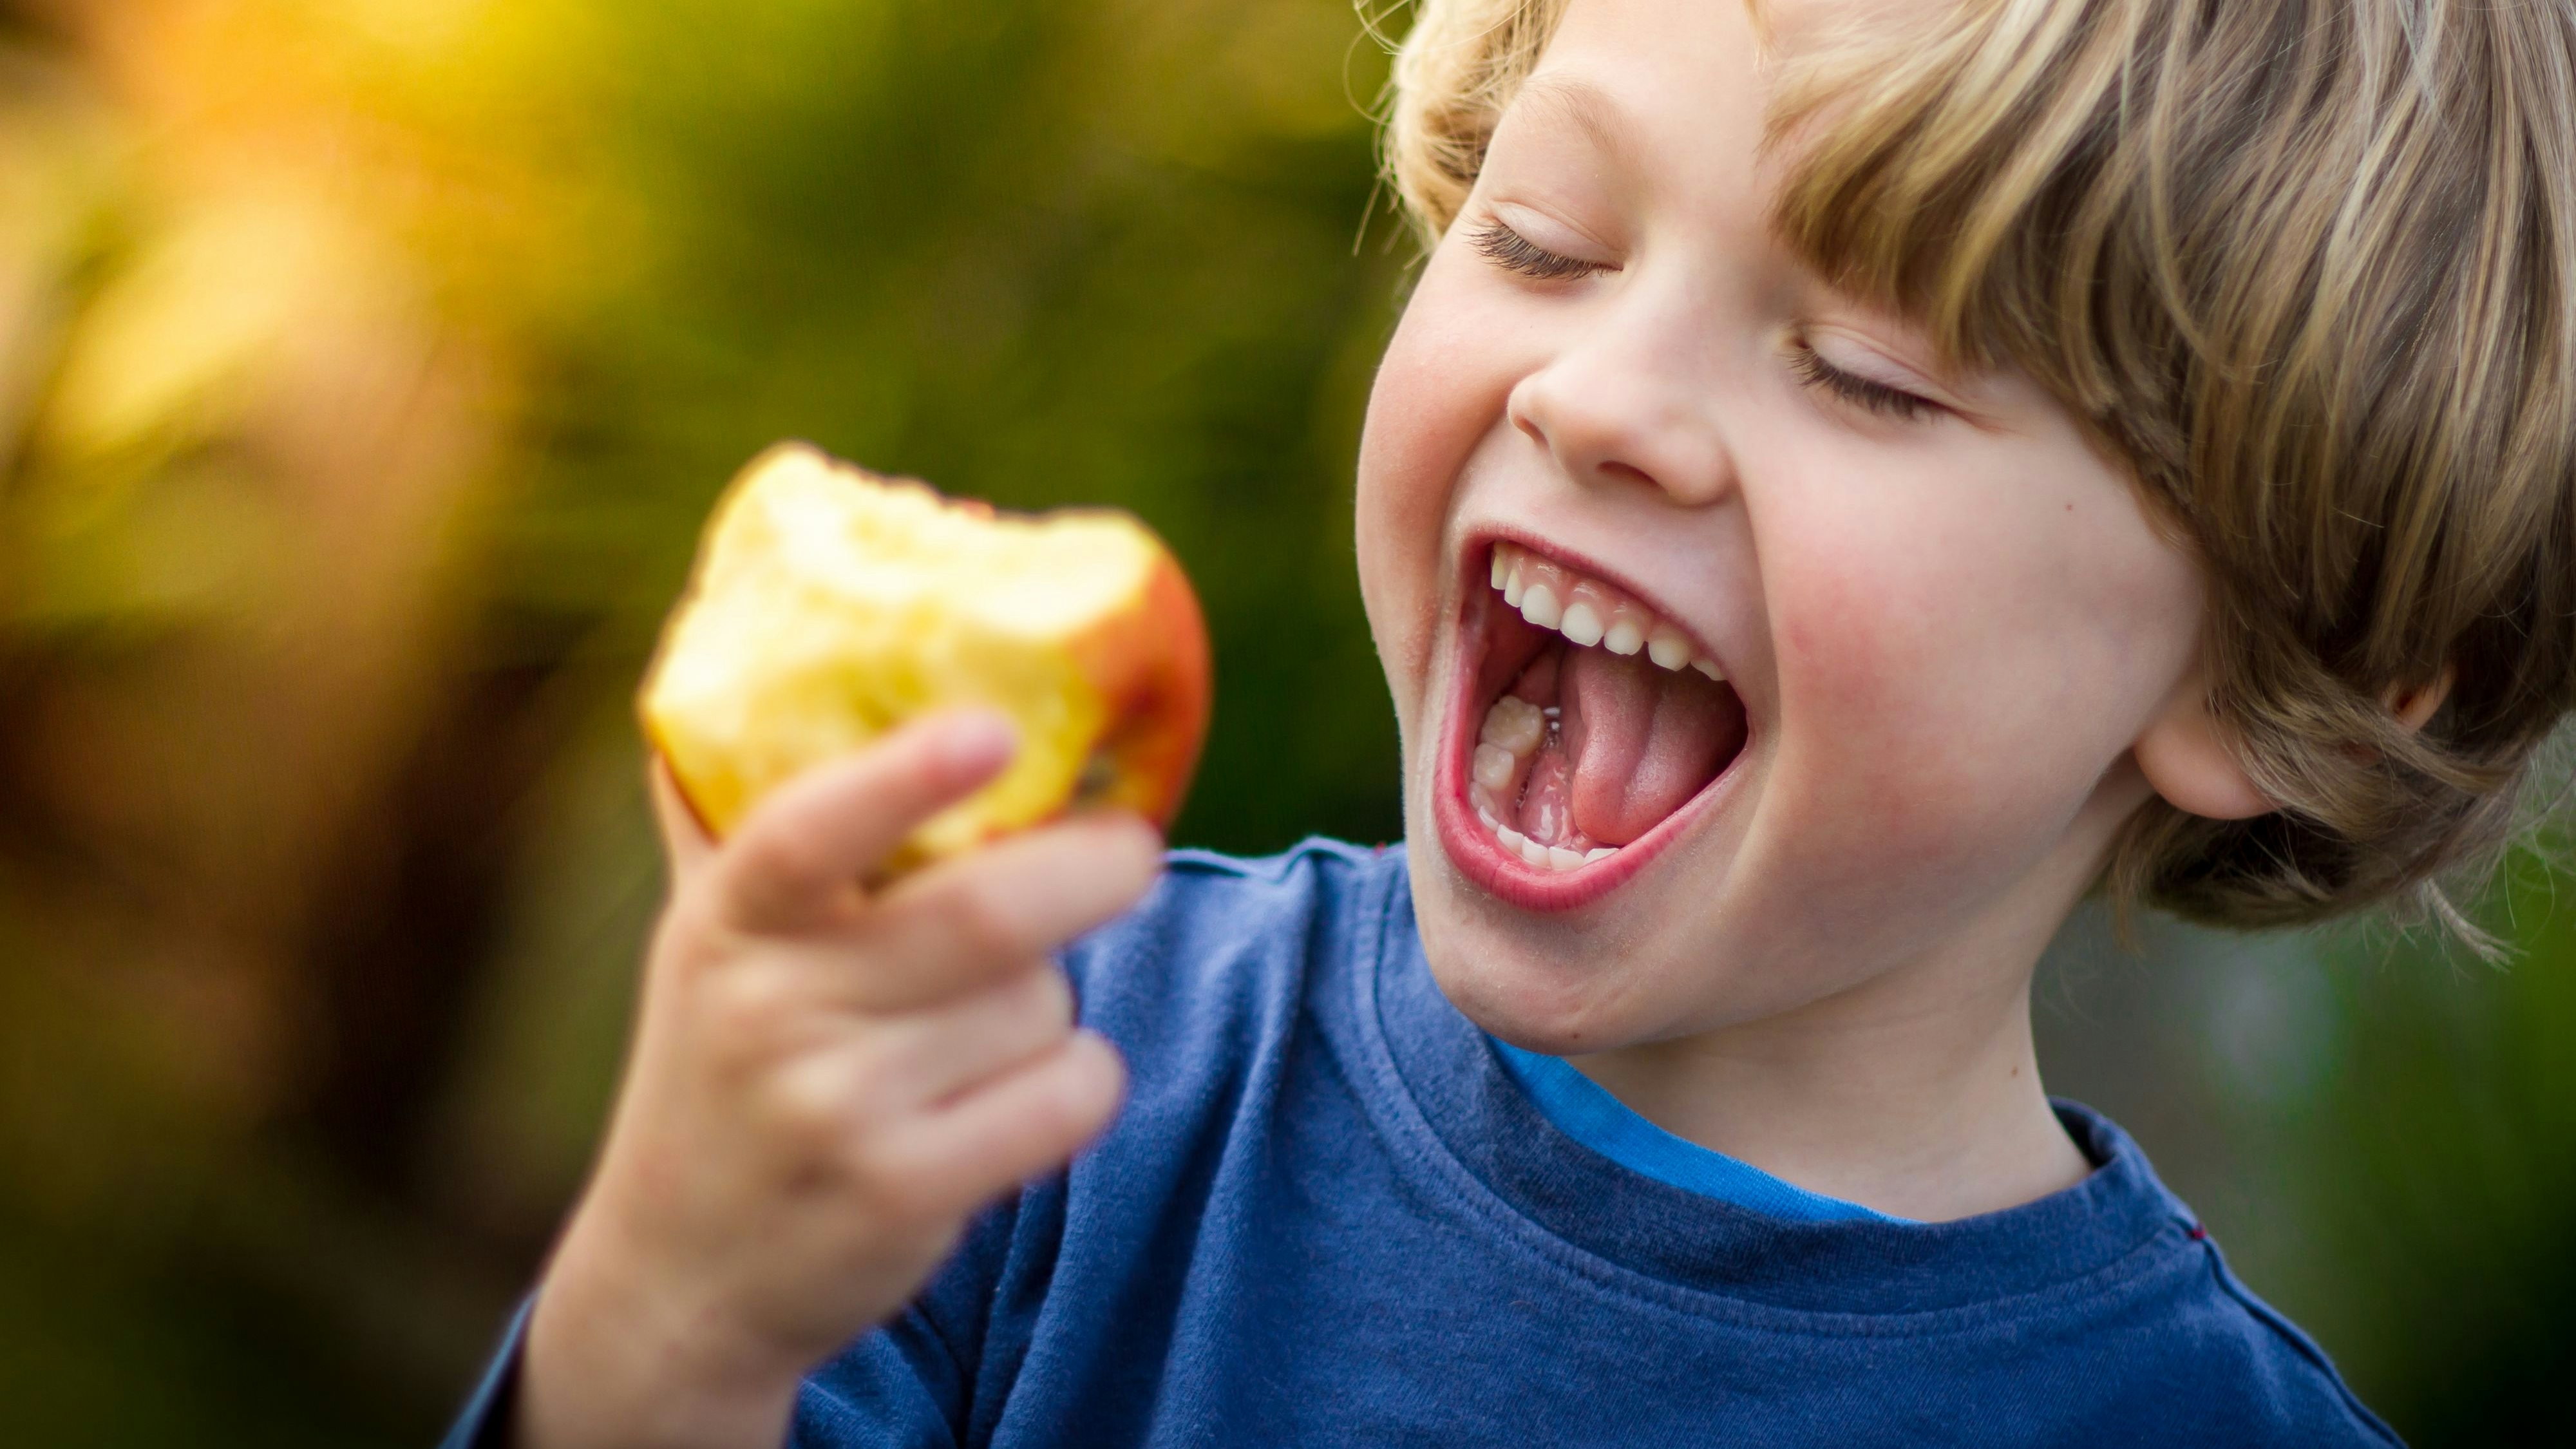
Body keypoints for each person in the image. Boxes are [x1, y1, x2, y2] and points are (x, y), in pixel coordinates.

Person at [444, 0, 2576, 1443]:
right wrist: (668, 1328)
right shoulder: (1039, 1082)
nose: (1600, 400)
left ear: (2279, 670)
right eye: (1543, 244)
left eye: (1868, 372)